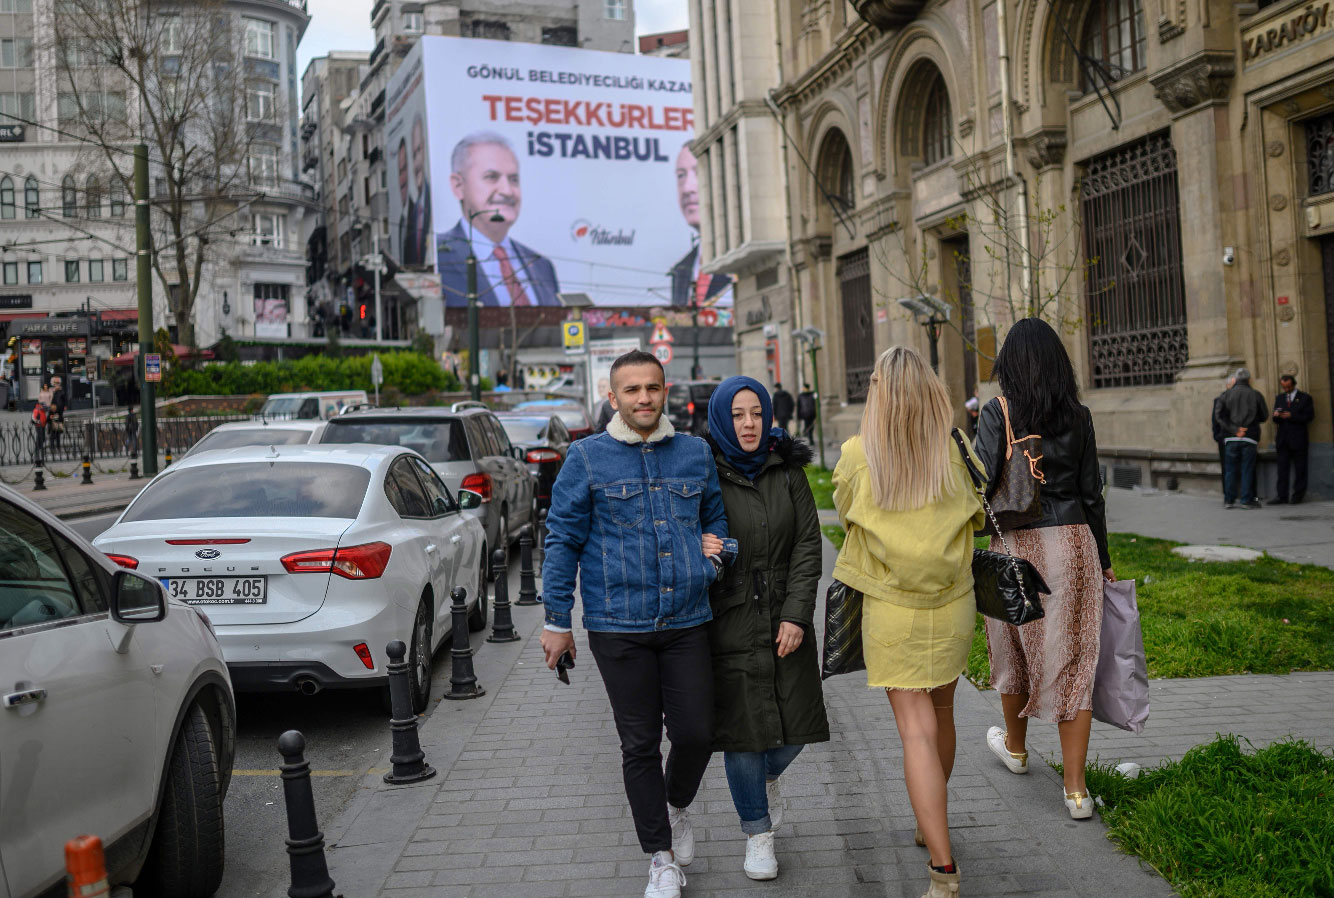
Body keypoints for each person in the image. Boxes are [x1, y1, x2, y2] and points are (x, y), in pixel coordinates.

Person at [540, 349, 729, 898]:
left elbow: (715, 518)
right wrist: (557, 620)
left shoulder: (694, 453)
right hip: (617, 624)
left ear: (664, 390)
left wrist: (717, 555)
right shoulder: (587, 458)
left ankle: (674, 806)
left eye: (652, 388)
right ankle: (661, 858)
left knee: (697, 732)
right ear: (613, 397)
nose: (643, 398)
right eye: (632, 390)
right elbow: (562, 541)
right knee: (639, 743)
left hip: (688, 616)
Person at [832, 346, 985, 898]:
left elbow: (846, 509)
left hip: (892, 608)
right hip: (953, 603)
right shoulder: (955, 445)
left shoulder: (858, 452)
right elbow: (979, 500)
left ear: (879, 391)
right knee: (942, 714)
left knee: (913, 731)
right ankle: (930, 824)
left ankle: (944, 872)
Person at [973, 318, 1113, 823]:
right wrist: (1105, 559)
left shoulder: (998, 412)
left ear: (1009, 363)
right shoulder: (1079, 415)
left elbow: (980, 484)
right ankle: (1076, 792)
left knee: (1012, 647)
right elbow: (1092, 494)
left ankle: (1015, 748)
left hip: (1015, 546)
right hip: (1075, 544)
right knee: (1073, 660)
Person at [702, 376, 828, 881]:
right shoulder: (704, 472)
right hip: (729, 618)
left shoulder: (788, 471)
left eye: (757, 413)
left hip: (782, 613)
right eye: (737, 415)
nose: (749, 424)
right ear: (720, 420)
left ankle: (768, 776)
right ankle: (757, 834)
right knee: (743, 734)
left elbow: (807, 547)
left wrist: (797, 613)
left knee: (796, 724)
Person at [437, 132, 560, 307]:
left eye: (514, 179)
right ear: (459, 185)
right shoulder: (437, 257)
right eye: (491, 177)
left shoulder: (541, 265)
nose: (507, 190)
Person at [669, 144, 733, 308]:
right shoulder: (680, 270)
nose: (687, 188)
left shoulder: (737, 257)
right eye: (681, 176)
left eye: (698, 174)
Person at [1214, 367, 1268, 509]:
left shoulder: (1226, 395)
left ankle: (1229, 500)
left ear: (1236, 379)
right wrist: (1246, 427)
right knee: (1247, 469)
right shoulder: (1255, 394)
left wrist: (1234, 429)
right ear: (1249, 379)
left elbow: (1218, 415)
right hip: (1249, 437)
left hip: (1231, 438)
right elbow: (1264, 415)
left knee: (1230, 469)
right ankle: (1246, 499)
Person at [1270, 374, 1314, 505]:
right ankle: (1281, 496)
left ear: (1293, 384)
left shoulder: (1305, 398)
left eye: (1288, 386)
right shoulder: (1280, 398)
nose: (1286, 389)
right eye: (1284, 387)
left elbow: (1309, 417)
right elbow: (1275, 418)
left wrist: (1292, 415)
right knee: (1282, 469)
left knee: (1300, 468)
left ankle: (1298, 495)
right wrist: (1276, 416)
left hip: (1298, 438)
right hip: (1283, 439)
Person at [407, 114, 432, 266]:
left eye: (419, 150)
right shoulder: (413, 211)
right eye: (413, 154)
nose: (416, 162)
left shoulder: (432, 202)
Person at [1211, 375, 1236, 502]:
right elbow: (1215, 419)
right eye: (1232, 385)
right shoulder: (1220, 399)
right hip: (1224, 438)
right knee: (1226, 467)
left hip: (1238, 437)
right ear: (1227, 386)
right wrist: (1217, 436)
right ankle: (1228, 494)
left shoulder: (1239, 399)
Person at [395, 137, 417, 265]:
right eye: (399, 172)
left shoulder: (417, 215)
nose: (402, 179)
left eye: (404, 170)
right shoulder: (401, 220)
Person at [49, 376, 67, 453]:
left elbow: (65, 401)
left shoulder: (62, 392)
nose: (57, 384)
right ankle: (52, 447)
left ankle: (58, 447)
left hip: (59, 414)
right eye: (55, 383)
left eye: (58, 383)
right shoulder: (50, 391)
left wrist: (64, 407)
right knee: (52, 432)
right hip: (52, 414)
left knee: (58, 432)